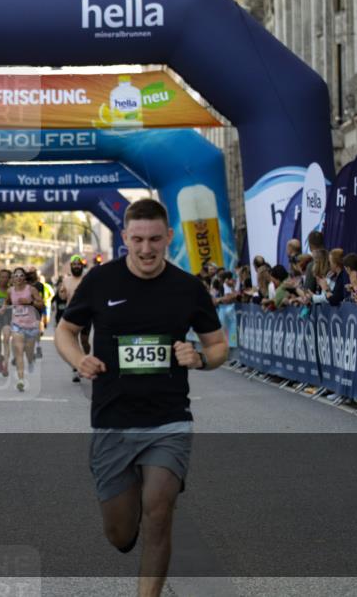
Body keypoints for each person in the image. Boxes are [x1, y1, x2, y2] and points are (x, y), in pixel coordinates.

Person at [54, 198, 227, 597]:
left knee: (160, 511)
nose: (146, 249)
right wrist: (80, 359)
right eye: (137, 240)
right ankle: (124, 522)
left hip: (169, 420)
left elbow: (219, 346)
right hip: (113, 419)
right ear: (125, 239)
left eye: (154, 240)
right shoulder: (99, 281)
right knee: (119, 532)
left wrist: (200, 358)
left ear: (168, 237)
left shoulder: (188, 288)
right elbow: (65, 331)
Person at [6, 267, 44, 392]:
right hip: (17, 324)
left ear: (24, 278)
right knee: (19, 351)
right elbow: (6, 303)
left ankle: (31, 360)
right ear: (13, 278)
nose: (18, 277)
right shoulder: (10, 291)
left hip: (31, 325)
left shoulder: (31, 289)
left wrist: (30, 302)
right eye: (15, 275)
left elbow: (41, 304)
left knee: (28, 351)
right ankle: (21, 380)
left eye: (21, 275)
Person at [58, 255, 89, 382]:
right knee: (74, 342)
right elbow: (63, 297)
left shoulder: (87, 279)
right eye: (74, 264)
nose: (76, 266)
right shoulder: (66, 280)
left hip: (87, 313)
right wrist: (61, 292)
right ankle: (77, 368)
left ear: (82, 265)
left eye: (78, 264)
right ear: (71, 266)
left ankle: (86, 358)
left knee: (85, 341)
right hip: (72, 313)